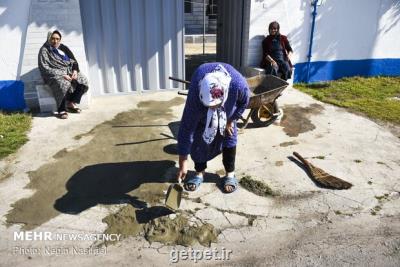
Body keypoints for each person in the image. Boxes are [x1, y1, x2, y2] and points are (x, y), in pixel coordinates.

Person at [176, 63, 250, 193]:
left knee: (229, 137)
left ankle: (230, 174)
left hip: (227, 110)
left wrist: (231, 120)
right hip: (202, 108)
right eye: (210, 105)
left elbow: (244, 102)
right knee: (198, 139)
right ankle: (199, 173)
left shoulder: (237, 84)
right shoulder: (195, 93)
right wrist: (183, 162)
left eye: (215, 105)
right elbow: (187, 127)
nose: (213, 109)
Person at [38, 30, 89, 119]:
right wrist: (62, 74)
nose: (55, 41)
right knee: (64, 83)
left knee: (83, 80)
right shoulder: (44, 50)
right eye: (53, 38)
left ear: (60, 39)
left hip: (69, 71)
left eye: (57, 39)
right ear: (49, 38)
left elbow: (74, 61)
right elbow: (44, 67)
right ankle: (61, 109)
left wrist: (75, 71)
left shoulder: (63, 48)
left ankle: (71, 103)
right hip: (53, 74)